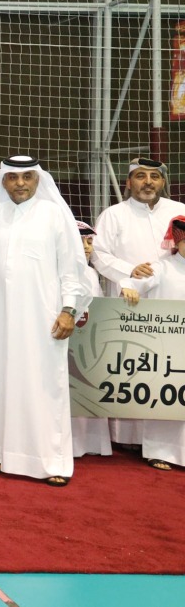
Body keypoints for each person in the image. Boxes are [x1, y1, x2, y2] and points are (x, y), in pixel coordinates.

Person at [0, 156, 93, 486]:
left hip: (44, 318)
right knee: (2, 381)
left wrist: (69, 310)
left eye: (26, 177)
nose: (19, 183)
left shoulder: (54, 215)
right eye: (12, 178)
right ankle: (3, 454)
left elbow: (72, 270)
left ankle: (51, 462)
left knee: (44, 386)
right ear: (3, 181)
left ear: (38, 179)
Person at [91, 158, 185, 449]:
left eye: (154, 176)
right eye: (141, 176)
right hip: (126, 300)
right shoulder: (113, 214)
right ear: (128, 182)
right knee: (128, 364)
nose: (148, 182)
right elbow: (98, 254)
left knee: (166, 365)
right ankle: (126, 438)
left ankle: (165, 441)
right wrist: (129, 272)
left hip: (169, 303)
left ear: (162, 182)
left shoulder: (179, 211)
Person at [118, 215, 185, 471]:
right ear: (177, 242)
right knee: (164, 398)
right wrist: (129, 288)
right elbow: (130, 284)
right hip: (164, 346)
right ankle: (159, 451)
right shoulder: (161, 268)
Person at [73, 221, 113, 458]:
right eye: (81, 241)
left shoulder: (91, 273)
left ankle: (92, 444)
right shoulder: (57, 270)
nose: (87, 247)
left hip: (89, 343)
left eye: (90, 242)